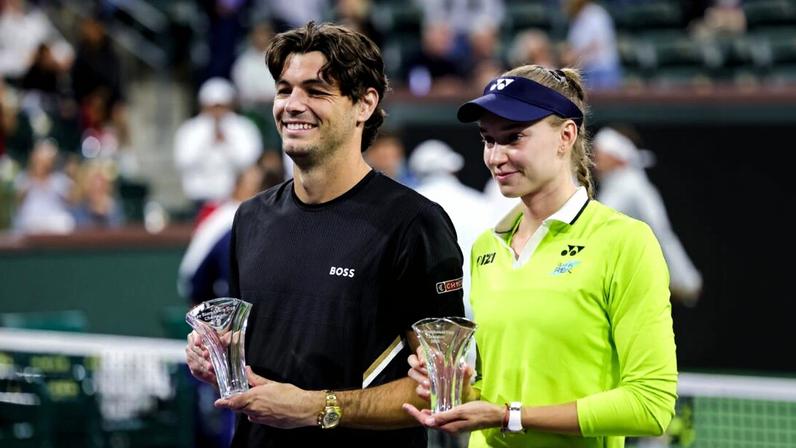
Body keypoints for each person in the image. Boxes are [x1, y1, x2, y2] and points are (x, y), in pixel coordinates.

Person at [184, 22, 465, 447]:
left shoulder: (414, 223)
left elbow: (442, 392)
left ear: (365, 104)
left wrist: (318, 408)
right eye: (284, 90)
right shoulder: (250, 218)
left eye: (316, 92)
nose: (293, 105)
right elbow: (255, 356)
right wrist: (214, 356)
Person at [404, 65, 677, 447]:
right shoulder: (486, 248)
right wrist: (461, 393)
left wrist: (510, 417)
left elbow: (650, 405)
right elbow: (494, 390)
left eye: (514, 137)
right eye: (488, 139)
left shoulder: (625, 241)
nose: (496, 156)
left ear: (566, 136)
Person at [593, 126, 703, 305]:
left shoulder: (627, 184)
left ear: (615, 156)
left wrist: (685, 280)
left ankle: (686, 282)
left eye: (600, 153)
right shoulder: (619, 183)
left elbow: (597, 222)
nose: (595, 159)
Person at [173, 77, 263, 214]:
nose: (217, 112)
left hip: (234, 199)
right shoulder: (190, 129)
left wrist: (227, 144)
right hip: (200, 198)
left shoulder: (243, 127)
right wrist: (207, 141)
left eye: (221, 106)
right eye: (212, 107)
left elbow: (250, 160)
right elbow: (183, 161)